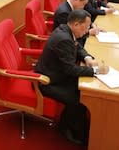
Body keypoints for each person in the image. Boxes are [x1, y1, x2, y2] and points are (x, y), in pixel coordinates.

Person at [35, 10, 108, 145]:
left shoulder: (66, 30)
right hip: (48, 81)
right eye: (85, 27)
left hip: (58, 74)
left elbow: (77, 45)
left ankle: (77, 125)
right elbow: (70, 69)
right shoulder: (64, 39)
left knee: (83, 92)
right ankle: (68, 129)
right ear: (75, 24)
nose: (87, 30)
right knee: (79, 99)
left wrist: (87, 58)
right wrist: (96, 70)